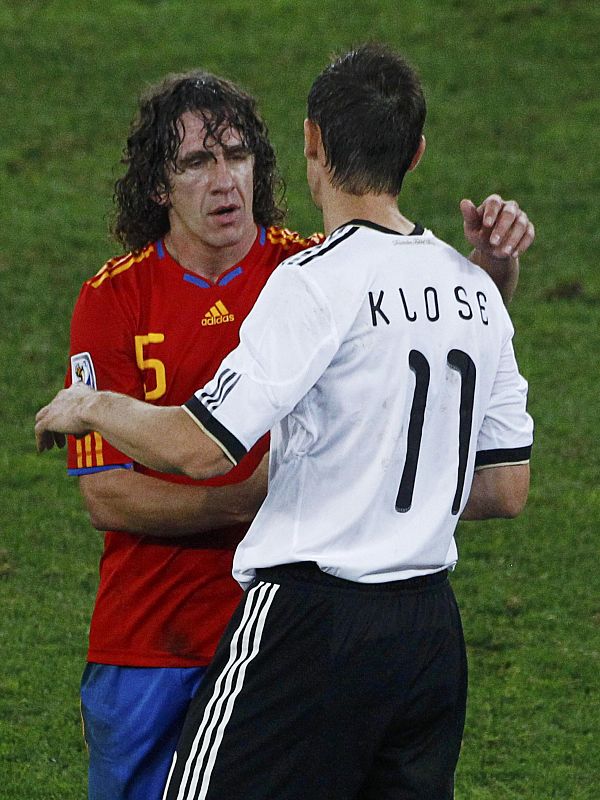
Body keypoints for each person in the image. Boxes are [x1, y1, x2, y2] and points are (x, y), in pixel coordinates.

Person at [38, 54, 535, 800]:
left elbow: (200, 451)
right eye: (199, 161)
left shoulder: (307, 279)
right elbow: (504, 487)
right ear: (418, 151)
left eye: (236, 155)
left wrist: (91, 405)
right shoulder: (469, 289)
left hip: (304, 620)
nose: (223, 178)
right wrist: (488, 279)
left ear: (310, 145)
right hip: (417, 626)